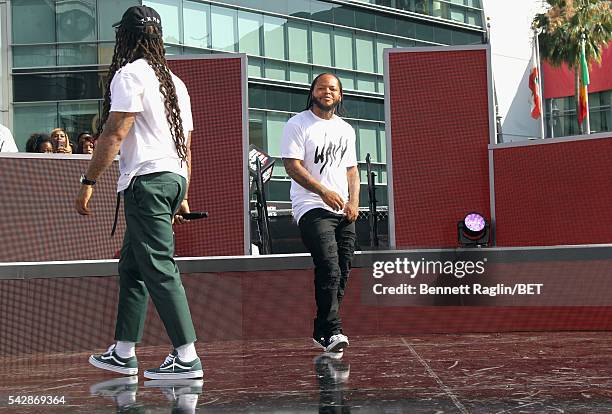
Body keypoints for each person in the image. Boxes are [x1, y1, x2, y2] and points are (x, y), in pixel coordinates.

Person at [75, 5, 202, 380]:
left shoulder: (129, 75)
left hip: (146, 181)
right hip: (172, 177)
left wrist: (89, 181)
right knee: (133, 266)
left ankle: (187, 356)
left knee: (159, 267)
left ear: (125, 37)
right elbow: (186, 145)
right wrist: (182, 194)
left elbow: (115, 133)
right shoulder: (175, 82)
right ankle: (124, 351)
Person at [281, 73, 359, 357]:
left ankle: (322, 331)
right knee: (329, 265)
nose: (327, 91)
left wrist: (354, 202)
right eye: (322, 87)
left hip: (343, 209)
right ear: (313, 92)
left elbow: (352, 170)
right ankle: (334, 329)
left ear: (339, 96)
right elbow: (292, 166)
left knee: (343, 269)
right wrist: (323, 192)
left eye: (333, 88)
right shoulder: (298, 124)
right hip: (311, 206)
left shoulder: (346, 130)